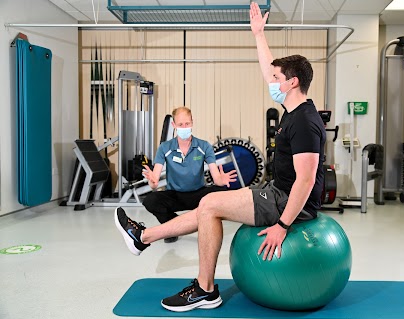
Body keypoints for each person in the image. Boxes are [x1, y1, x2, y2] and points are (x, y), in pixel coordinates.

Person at [114, 2, 326, 312]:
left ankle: (202, 287)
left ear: (292, 82)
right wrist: (258, 35)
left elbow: (306, 181)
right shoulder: (294, 110)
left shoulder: (305, 121)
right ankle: (143, 237)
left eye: (278, 78)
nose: (272, 82)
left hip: (288, 202)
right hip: (275, 191)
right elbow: (269, 68)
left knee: (210, 204)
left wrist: (282, 225)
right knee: (208, 205)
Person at [141, 106, 237, 244]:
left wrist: (221, 181)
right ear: (174, 125)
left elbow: (216, 178)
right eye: (180, 124)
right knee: (150, 200)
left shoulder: (204, 146)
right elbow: (154, 180)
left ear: (192, 122)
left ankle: (191, 225)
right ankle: (172, 229)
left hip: (198, 194)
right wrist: (152, 182)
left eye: (187, 123)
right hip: (175, 195)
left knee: (222, 193)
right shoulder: (164, 147)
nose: (184, 127)